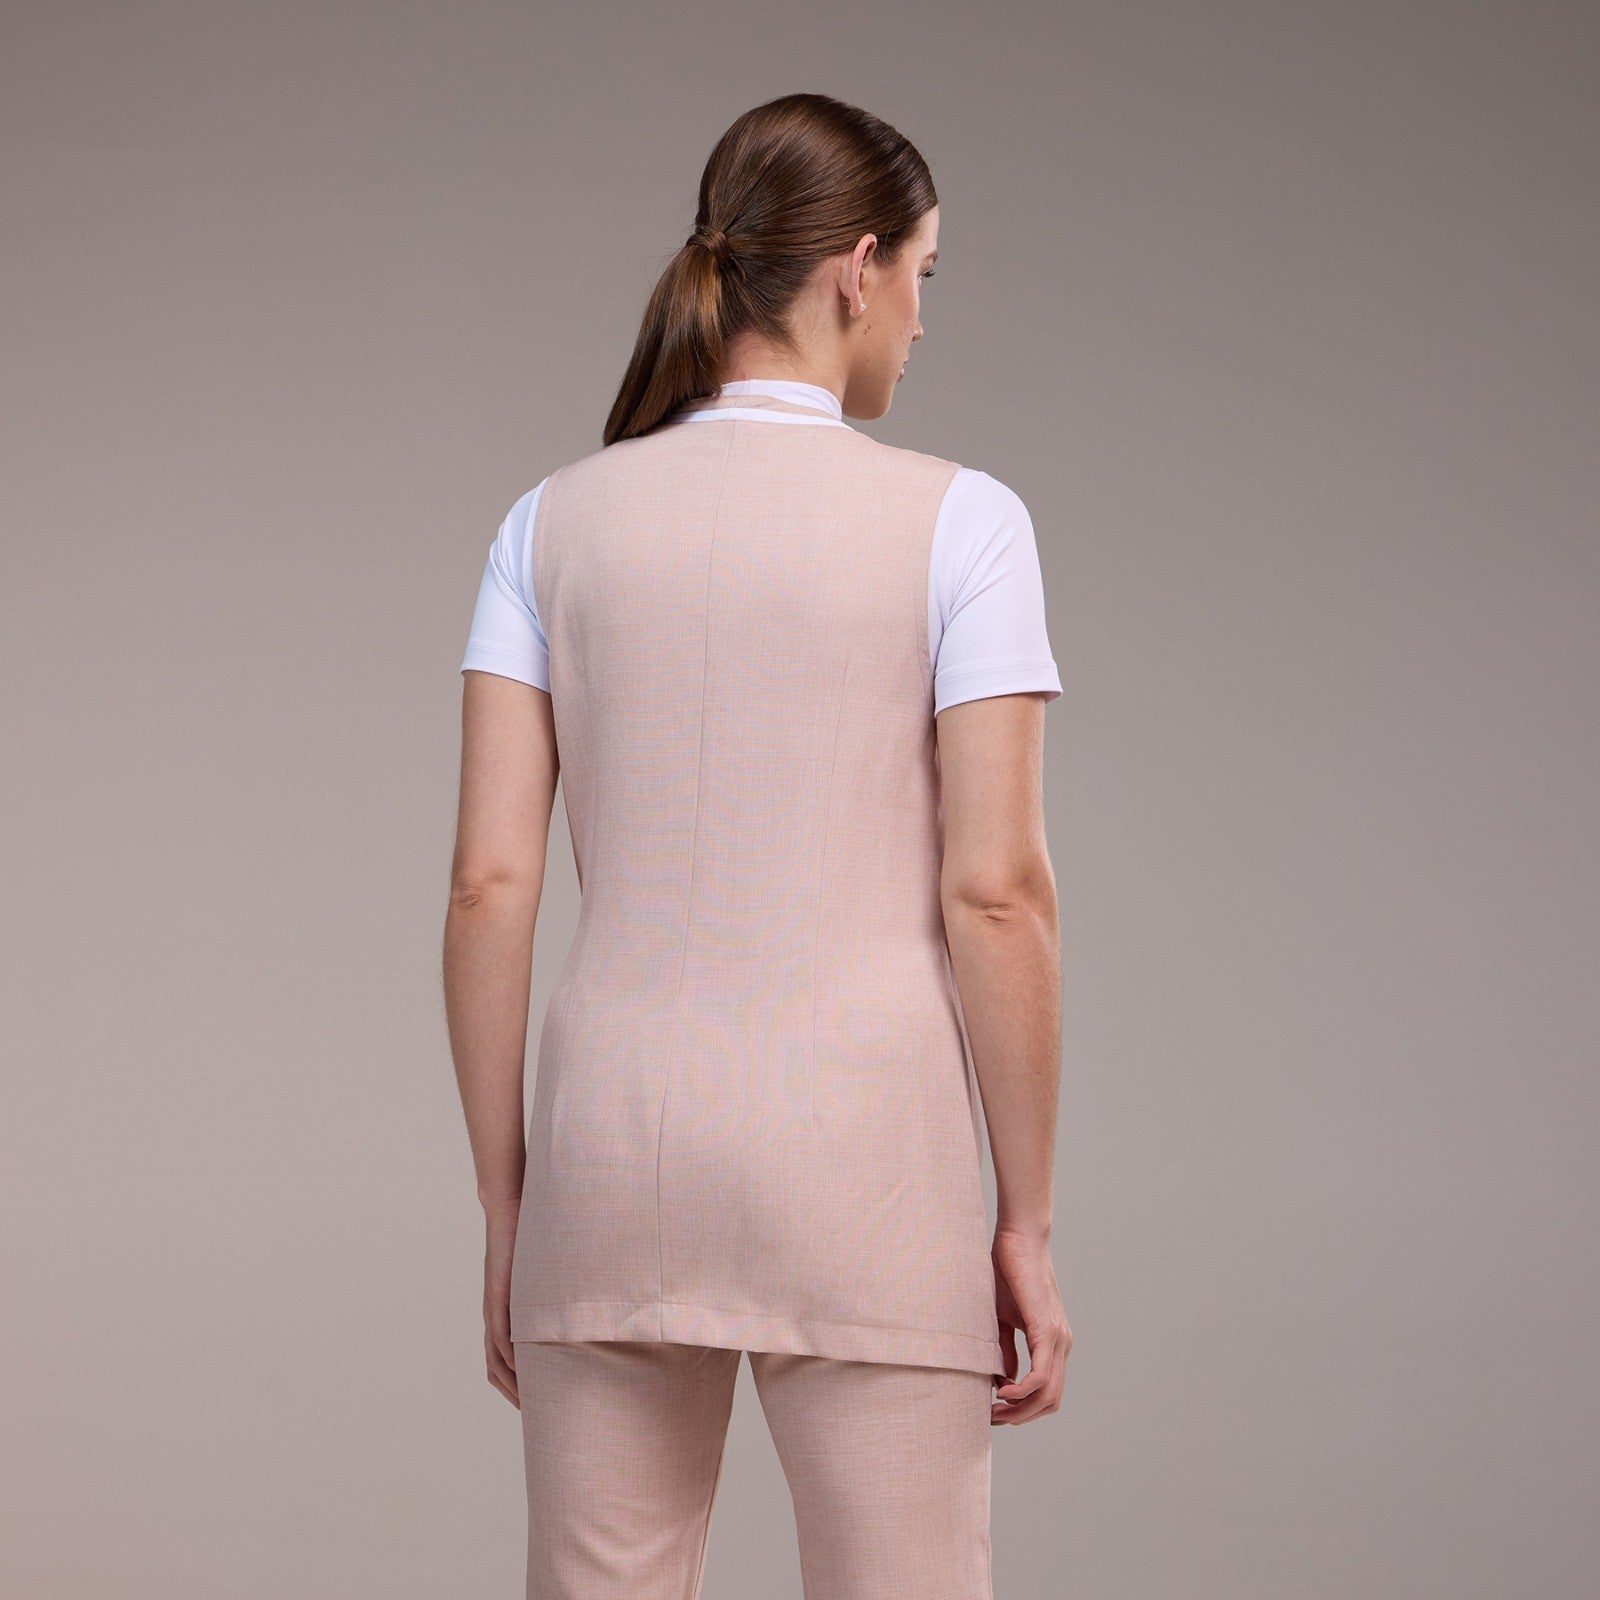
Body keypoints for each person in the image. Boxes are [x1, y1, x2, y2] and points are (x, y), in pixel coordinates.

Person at [442, 90, 1071, 1600]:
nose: (920, 319)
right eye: (922, 274)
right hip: (869, 1164)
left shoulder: (544, 526)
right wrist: (1026, 1221)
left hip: (609, 1156)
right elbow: (996, 894)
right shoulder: (966, 525)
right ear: (858, 270)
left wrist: (509, 1209)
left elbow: (489, 886)